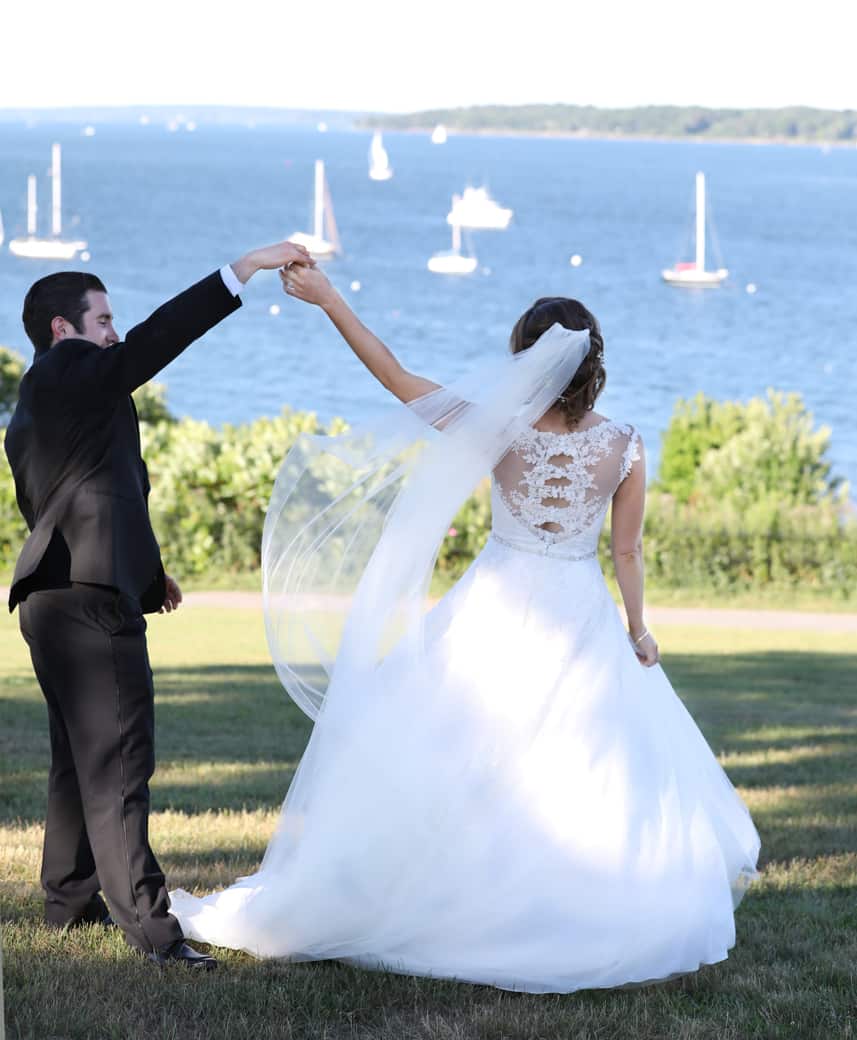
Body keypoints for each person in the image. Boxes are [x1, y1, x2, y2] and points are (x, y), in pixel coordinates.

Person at [170, 269, 760, 993]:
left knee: (465, 751)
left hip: (498, 601)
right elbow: (626, 551)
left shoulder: (497, 427)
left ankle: (452, 896)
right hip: (576, 606)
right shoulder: (628, 445)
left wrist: (331, 301)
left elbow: (396, 378)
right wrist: (637, 628)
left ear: (524, 359)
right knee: (580, 763)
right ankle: (561, 904)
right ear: (591, 365)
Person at [4, 240, 314, 969]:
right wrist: (240, 270)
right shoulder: (76, 369)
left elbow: (83, 498)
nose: (116, 330)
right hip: (87, 611)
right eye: (104, 318)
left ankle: (68, 902)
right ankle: (152, 930)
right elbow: (154, 343)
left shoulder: (40, 401)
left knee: (75, 765)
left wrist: (150, 575)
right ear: (63, 328)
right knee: (119, 767)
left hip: (52, 600)